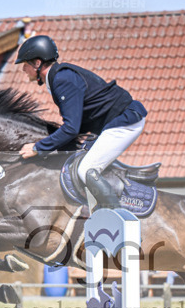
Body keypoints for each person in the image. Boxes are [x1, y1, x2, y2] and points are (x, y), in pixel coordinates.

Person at [14, 34, 147, 210]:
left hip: (125, 121)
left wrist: (38, 148)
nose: (23, 69)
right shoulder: (57, 78)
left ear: (37, 63)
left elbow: (71, 128)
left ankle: (118, 220)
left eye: (25, 63)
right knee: (77, 162)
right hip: (112, 122)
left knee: (86, 171)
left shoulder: (62, 80)